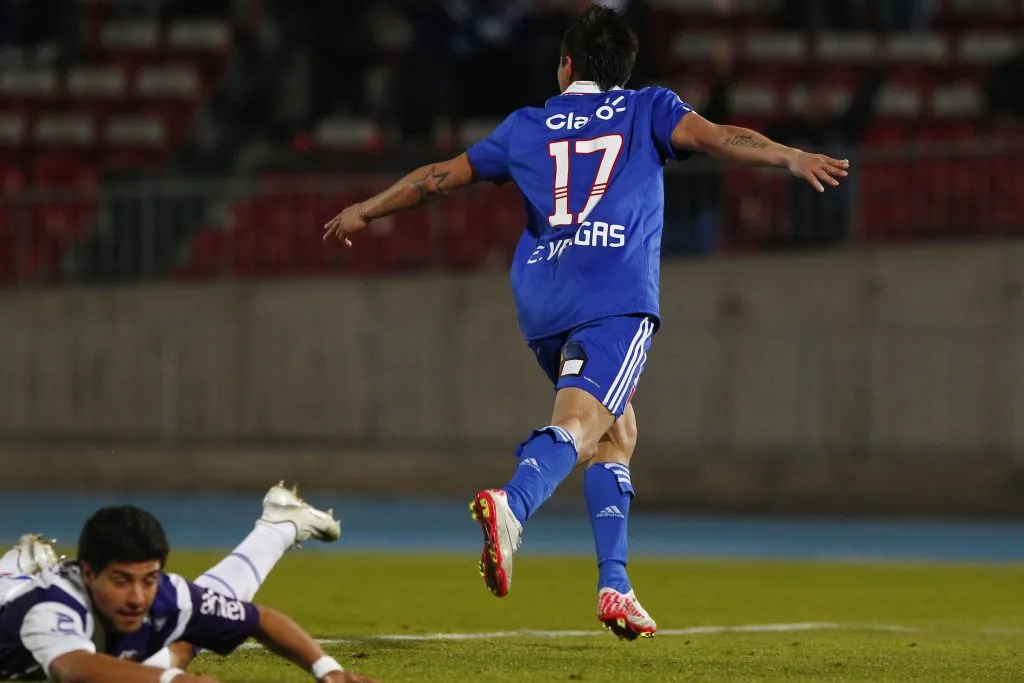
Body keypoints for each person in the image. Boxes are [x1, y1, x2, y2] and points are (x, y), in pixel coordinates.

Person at [322, 5, 847, 641]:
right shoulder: (647, 107)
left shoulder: (525, 125)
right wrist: (786, 155)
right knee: (584, 422)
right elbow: (716, 137)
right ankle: (512, 505)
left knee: (617, 429)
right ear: (622, 69)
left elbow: (438, 180)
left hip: (541, 298)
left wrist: (366, 210)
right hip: (613, 293)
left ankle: (616, 586)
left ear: (566, 65)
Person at [0, 483, 376, 682]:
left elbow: (259, 618)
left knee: (196, 618)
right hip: (11, 603)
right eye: (121, 580)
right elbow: (73, 669)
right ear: (87, 573)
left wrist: (328, 671)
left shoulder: (166, 594)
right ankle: (17, 566)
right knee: (170, 655)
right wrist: (169, 680)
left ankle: (280, 526)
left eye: (148, 579)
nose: (137, 597)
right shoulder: (52, 606)